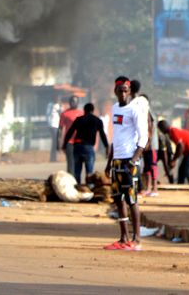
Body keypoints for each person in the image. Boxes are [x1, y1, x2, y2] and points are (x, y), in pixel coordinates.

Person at [104, 77, 148, 251]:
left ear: (129, 92)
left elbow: (143, 137)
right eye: (119, 90)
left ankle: (137, 239)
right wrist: (109, 163)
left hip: (130, 160)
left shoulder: (135, 110)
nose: (122, 94)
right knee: (117, 199)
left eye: (125, 90)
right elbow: (115, 138)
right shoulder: (114, 109)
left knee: (132, 199)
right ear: (115, 91)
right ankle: (123, 238)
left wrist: (134, 159)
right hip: (117, 160)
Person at [62, 102, 109, 185]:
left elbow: (70, 132)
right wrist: (106, 146)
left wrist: (64, 144)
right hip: (88, 148)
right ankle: (89, 192)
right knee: (89, 173)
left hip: (77, 147)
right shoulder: (97, 120)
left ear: (84, 110)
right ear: (93, 110)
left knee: (77, 172)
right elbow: (102, 134)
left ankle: (77, 190)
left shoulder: (79, 119)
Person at [131, 82, 157, 196]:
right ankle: (144, 187)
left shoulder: (140, 104)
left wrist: (147, 140)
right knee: (143, 166)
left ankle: (150, 188)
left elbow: (149, 124)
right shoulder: (133, 102)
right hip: (141, 140)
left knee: (149, 165)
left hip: (146, 142)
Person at [157, 120, 189, 184]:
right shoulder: (171, 133)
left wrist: (174, 160)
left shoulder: (173, 131)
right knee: (181, 170)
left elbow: (181, 146)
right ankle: (180, 185)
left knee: (187, 170)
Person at [58, 96, 83, 176]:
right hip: (69, 142)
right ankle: (70, 181)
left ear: (78, 103)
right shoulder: (65, 114)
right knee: (71, 163)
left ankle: (77, 182)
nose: (74, 103)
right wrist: (58, 142)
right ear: (69, 102)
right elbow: (60, 129)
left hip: (80, 142)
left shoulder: (82, 113)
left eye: (76, 101)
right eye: (72, 101)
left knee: (79, 163)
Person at [47, 98, 62, 162]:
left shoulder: (59, 106)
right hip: (52, 125)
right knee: (55, 142)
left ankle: (54, 158)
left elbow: (61, 114)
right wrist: (48, 124)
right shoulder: (50, 105)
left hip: (58, 125)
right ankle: (53, 158)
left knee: (56, 142)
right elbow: (47, 114)